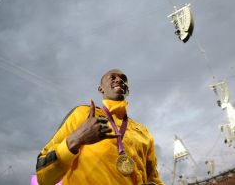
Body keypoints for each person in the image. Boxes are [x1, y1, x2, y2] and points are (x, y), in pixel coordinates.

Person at [36, 69, 164, 185]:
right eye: (112, 77)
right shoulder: (82, 113)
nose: (119, 80)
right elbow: (42, 177)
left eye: (123, 79)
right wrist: (76, 139)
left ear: (127, 91)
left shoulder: (143, 132)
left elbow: (153, 178)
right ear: (101, 88)